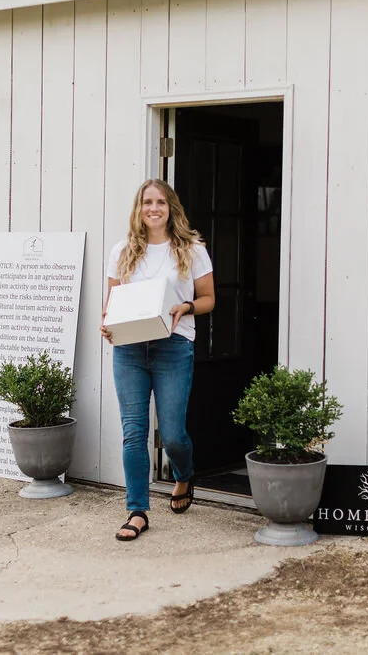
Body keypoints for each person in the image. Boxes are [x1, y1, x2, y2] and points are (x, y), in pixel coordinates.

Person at [100, 179, 215, 541]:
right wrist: (107, 324)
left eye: (160, 202)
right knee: (134, 433)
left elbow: (209, 298)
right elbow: (112, 305)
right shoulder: (122, 251)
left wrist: (187, 307)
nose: (154, 208)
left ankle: (183, 474)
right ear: (139, 208)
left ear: (171, 208)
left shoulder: (191, 249)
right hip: (130, 349)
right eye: (147, 202)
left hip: (173, 346)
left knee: (173, 433)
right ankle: (137, 511)